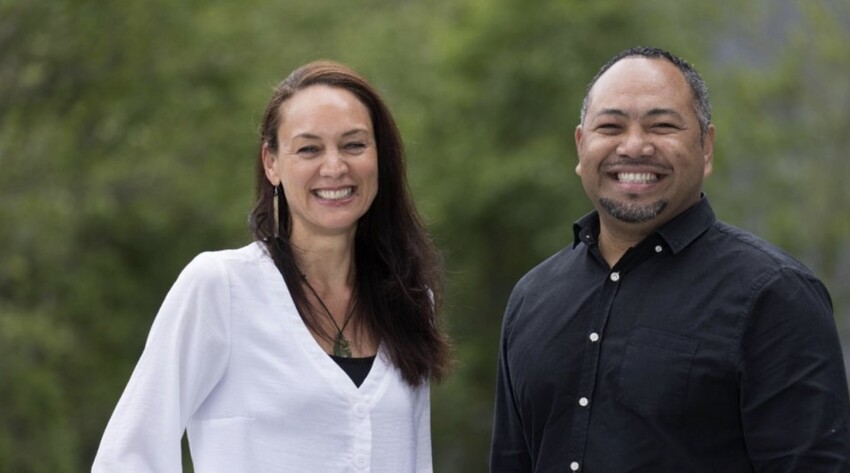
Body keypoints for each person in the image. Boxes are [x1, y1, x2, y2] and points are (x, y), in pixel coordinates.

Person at [490, 46, 850, 472]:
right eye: (611, 126)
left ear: (707, 147)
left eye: (661, 125)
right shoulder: (533, 298)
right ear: (581, 145)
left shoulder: (774, 295)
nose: (635, 146)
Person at [93, 60, 451, 472]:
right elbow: (128, 457)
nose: (334, 167)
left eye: (354, 145)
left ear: (380, 158)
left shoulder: (408, 298)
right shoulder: (221, 287)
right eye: (309, 148)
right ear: (272, 162)